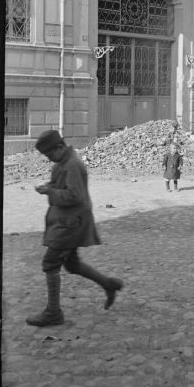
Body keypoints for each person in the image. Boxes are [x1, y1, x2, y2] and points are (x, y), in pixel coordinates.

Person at [27, 130, 123, 327]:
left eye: (50, 154)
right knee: (72, 264)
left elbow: (74, 196)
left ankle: (53, 313)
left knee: (50, 263)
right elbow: (63, 186)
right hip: (68, 221)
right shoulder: (64, 162)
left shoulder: (71, 164)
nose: (49, 159)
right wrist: (49, 187)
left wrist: (51, 192)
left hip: (70, 224)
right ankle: (108, 284)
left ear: (60, 147)